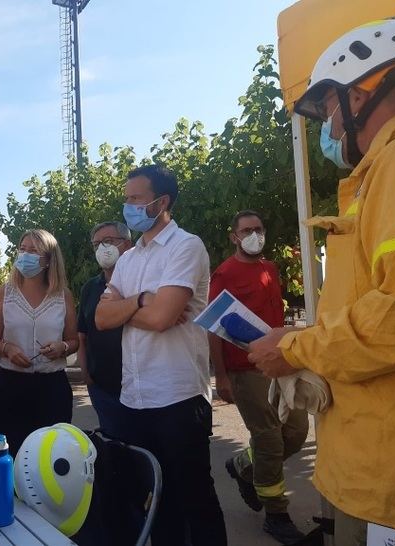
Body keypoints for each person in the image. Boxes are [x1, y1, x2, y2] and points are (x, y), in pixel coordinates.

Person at [248, 16, 395, 545]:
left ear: (363, 92)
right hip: (380, 467)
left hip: (392, 477)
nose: (332, 129)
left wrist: (296, 349)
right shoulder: (391, 166)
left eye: (328, 110)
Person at [96, 164, 227, 546]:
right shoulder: (128, 259)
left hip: (178, 399)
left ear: (161, 202)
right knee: (158, 502)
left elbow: (163, 318)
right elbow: (102, 318)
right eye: (127, 199)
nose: (128, 206)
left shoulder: (187, 246)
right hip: (133, 399)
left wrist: (133, 309)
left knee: (195, 502)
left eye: (136, 199)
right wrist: (141, 300)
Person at [210, 210, 308, 544]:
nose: (255, 235)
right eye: (247, 230)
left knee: (296, 431)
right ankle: (276, 514)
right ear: (234, 237)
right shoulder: (224, 273)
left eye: (259, 229)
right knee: (268, 438)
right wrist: (221, 377)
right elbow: (215, 328)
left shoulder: (270, 268)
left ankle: (244, 466)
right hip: (245, 369)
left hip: (281, 364)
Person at [0, 229, 78, 457]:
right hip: (11, 387)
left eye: (33, 250)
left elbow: (74, 340)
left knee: (52, 457)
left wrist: (62, 348)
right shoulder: (5, 293)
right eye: (22, 248)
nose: (25, 255)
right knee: (13, 455)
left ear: (49, 259)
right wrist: (8, 349)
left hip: (52, 389)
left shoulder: (63, 295)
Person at [76, 221, 133, 439]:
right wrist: (85, 371)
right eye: (97, 244)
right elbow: (82, 333)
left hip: (138, 384)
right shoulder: (90, 288)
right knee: (114, 446)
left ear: (127, 244)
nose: (102, 248)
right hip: (102, 387)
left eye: (108, 241)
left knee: (143, 449)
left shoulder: (141, 283)